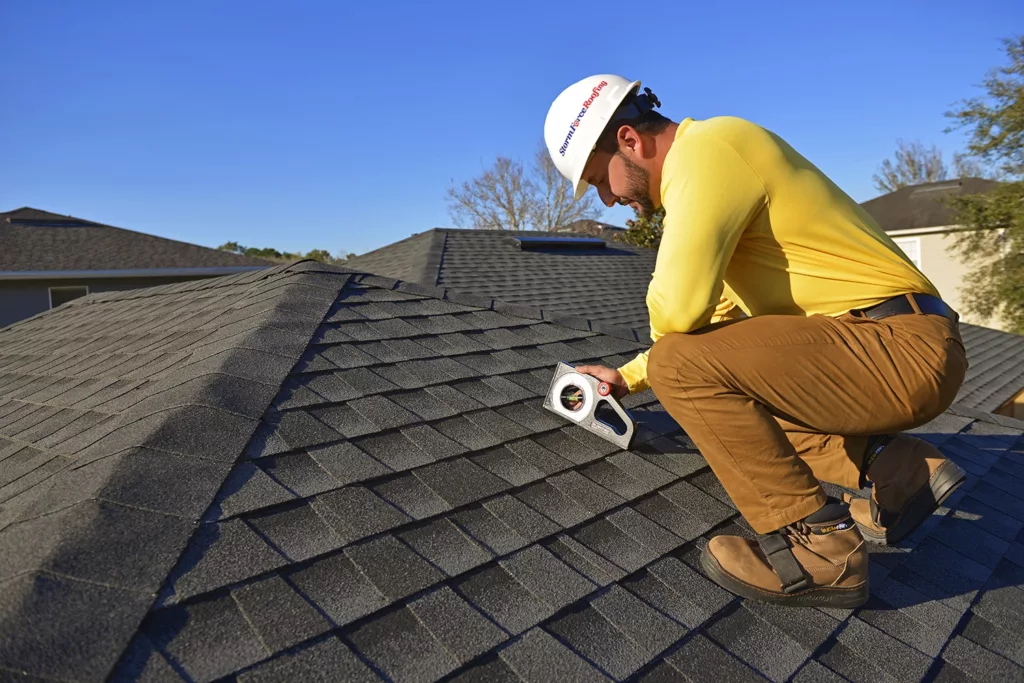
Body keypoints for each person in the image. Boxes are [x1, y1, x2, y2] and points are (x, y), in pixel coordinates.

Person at [543, 74, 968, 607]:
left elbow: (678, 315)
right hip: (895, 344)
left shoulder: (709, 150)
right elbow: (713, 324)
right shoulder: (715, 171)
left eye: (599, 179)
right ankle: (898, 471)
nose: (607, 200)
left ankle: (820, 550)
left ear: (629, 140)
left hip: (897, 348)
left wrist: (667, 364)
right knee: (720, 392)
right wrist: (628, 378)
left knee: (683, 368)